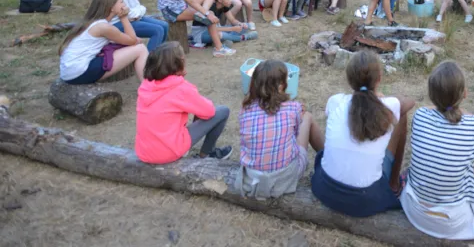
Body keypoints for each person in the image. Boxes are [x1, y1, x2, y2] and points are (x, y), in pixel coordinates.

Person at [401, 61, 474, 238]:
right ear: (464, 93)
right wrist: (468, 115)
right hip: (453, 223)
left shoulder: (420, 116)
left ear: (431, 94)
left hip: (414, 211)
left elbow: (436, 109)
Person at [311, 50, 414, 217]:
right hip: (366, 200)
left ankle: (339, 166)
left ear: (349, 79)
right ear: (379, 78)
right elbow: (410, 102)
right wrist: (380, 97)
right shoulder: (388, 105)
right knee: (401, 115)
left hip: (326, 190)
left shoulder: (335, 101)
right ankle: (394, 185)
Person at [236, 60, 324, 198]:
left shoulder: (244, 109)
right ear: (282, 85)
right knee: (307, 117)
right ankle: (326, 157)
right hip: (286, 177)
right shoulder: (293, 107)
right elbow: (295, 135)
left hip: (253, 178)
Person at [135, 42, 232, 163]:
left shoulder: (146, 86)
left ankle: (194, 148)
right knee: (222, 111)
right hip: (168, 152)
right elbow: (209, 111)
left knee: (198, 109)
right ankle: (207, 153)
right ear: (180, 62)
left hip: (144, 152)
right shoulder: (180, 88)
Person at [59, 0, 149, 84]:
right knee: (140, 49)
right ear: (111, 7)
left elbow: (129, 40)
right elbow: (132, 40)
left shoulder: (91, 23)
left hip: (69, 72)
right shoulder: (103, 27)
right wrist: (123, 18)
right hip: (79, 73)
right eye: (121, 1)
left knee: (133, 45)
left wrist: (132, 40)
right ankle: (148, 88)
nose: (125, 4)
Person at [190, 0, 257, 48]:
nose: (231, 1)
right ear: (220, 0)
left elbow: (232, 20)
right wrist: (232, 29)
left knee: (246, 26)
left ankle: (228, 38)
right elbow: (213, 30)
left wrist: (240, 24)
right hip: (201, 34)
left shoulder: (224, 7)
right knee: (220, 34)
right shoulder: (210, 9)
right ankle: (243, 37)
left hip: (217, 30)